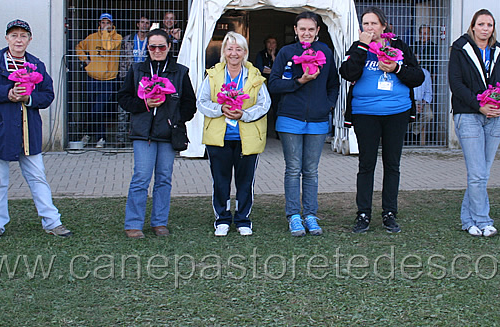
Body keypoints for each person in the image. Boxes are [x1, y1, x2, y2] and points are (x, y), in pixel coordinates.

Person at [0, 19, 72, 240]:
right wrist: (7, 94)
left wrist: (28, 98)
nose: (19, 40)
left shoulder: (35, 64)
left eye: (23, 35)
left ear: (29, 39)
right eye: (14, 35)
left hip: (29, 133)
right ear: (7, 38)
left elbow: (47, 95)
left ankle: (52, 222)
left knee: (38, 178)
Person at [339, 8, 423, 234]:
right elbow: (347, 72)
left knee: (392, 164)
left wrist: (397, 68)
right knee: (366, 164)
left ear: (383, 26)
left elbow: (418, 76)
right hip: (365, 113)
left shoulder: (399, 45)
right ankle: (363, 213)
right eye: (365, 24)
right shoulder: (358, 47)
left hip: (397, 112)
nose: (369, 28)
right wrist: (361, 47)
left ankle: (389, 213)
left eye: (374, 23)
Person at [118, 29, 196, 239]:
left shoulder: (180, 72)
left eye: (162, 46)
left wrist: (176, 119)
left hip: (168, 135)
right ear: (147, 48)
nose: (157, 50)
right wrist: (144, 104)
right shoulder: (137, 70)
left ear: (169, 47)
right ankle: (133, 224)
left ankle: (159, 223)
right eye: (152, 47)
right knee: (141, 177)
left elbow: (190, 104)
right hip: (143, 134)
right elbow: (124, 99)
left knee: (164, 179)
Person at [268, 12, 340, 236]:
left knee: (311, 171)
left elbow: (333, 84)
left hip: (318, 120)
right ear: (296, 30)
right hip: (290, 119)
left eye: (311, 29)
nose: (306, 33)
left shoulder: (326, 52)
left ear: (318, 30)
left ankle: (310, 215)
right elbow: (274, 84)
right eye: (302, 29)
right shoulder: (286, 52)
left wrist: (327, 105)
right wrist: (300, 81)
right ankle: (294, 216)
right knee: (293, 169)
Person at [197, 32, 270, 236]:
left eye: (238, 49)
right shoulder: (212, 75)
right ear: (224, 52)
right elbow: (201, 102)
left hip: (246, 139)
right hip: (219, 139)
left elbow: (265, 104)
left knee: (245, 181)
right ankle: (222, 219)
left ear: (245, 52)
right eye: (230, 48)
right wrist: (220, 109)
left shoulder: (255, 76)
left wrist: (244, 114)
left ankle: (243, 219)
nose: (234, 53)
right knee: (220, 181)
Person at [448, 9, 500, 238]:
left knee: (482, 173)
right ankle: (483, 221)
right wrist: (479, 105)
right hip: (469, 116)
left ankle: (468, 220)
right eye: (481, 24)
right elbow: (456, 85)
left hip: (496, 118)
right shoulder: (459, 49)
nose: (486, 28)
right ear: (473, 26)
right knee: (477, 173)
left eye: (490, 25)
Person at [75, 13, 123, 148]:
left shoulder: (117, 38)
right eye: (103, 23)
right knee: (91, 108)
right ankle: (91, 134)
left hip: (109, 79)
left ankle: (100, 136)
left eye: (108, 23)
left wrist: (106, 33)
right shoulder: (91, 38)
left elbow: (107, 46)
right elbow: (79, 47)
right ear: (99, 24)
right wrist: (85, 60)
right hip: (92, 78)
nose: (105, 25)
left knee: (99, 109)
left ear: (112, 24)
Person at [118, 15, 152, 145]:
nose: (144, 25)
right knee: (124, 107)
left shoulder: (151, 41)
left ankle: (141, 136)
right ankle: (121, 139)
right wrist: (122, 76)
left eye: (147, 23)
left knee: (144, 107)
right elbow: (122, 58)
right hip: (130, 77)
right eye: (142, 22)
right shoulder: (128, 39)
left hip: (146, 79)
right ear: (137, 24)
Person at [412, 67, 433, 146]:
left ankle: (415, 131)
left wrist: (423, 104)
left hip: (421, 101)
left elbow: (428, 91)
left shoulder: (425, 73)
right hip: (408, 101)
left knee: (429, 115)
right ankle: (404, 134)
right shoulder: (404, 70)